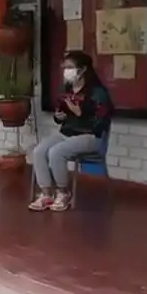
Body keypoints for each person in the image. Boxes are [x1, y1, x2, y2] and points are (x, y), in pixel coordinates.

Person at [29, 51, 114, 212]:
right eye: (64, 67)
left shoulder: (98, 93)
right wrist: (58, 116)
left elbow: (101, 123)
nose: (66, 71)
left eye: (70, 67)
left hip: (90, 136)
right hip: (67, 133)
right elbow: (61, 118)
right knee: (39, 151)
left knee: (56, 152)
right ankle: (46, 193)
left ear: (82, 70)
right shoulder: (68, 90)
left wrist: (81, 113)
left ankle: (63, 192)